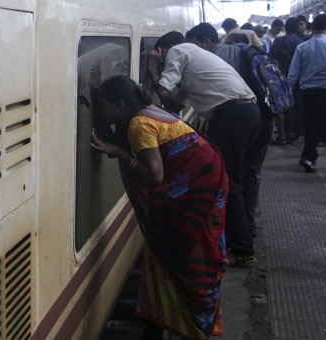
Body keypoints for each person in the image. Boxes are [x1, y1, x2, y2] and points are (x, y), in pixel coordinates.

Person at [91, 75, 228, 339]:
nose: (99, 111)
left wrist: (117, 151)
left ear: (120, 105)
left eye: (102, 105)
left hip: (193, 196)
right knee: (178, 257)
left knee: (188, 258)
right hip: (206, 186)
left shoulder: (140, 125)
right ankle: (166, 323)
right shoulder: (148, 110)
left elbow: (155, 175)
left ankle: (196, 327)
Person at [147, 31, 259, 266]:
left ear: (166, 48)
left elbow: (164, 89)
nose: (163, 59)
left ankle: (243, 250)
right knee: (231, 179)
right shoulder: (195, 61)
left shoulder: (179, 50)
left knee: (229, 181)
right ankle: (236, 242)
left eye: (161, 54)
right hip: (247, 112)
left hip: (232, 115)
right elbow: (173, 103)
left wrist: (153, 69)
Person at [188, 22, 273, 243]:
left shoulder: (217, 57)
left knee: (230, 177)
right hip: (265, 115)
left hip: (241, 118)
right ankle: (248, 224)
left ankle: (239, 238)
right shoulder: (245, 51)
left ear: (206, 43)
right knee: (250, 171)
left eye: (194, 46)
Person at [288, 14, 326, 173]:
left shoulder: (302, 47)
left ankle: (309, 156)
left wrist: (287, 91)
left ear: (312, 27)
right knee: (318, 124)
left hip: (307, 91)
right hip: (324, 90)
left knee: (310, 123)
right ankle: (308, 157)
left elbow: (293, 73)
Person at [269, 17, 303, 145]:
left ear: (286, 27)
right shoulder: (301, 42)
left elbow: (270, 58)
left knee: (281, 107)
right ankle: (290, 134)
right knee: (293, 107)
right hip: (298, 79)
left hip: (280, 77)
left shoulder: (279, 40)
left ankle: (282, 136)